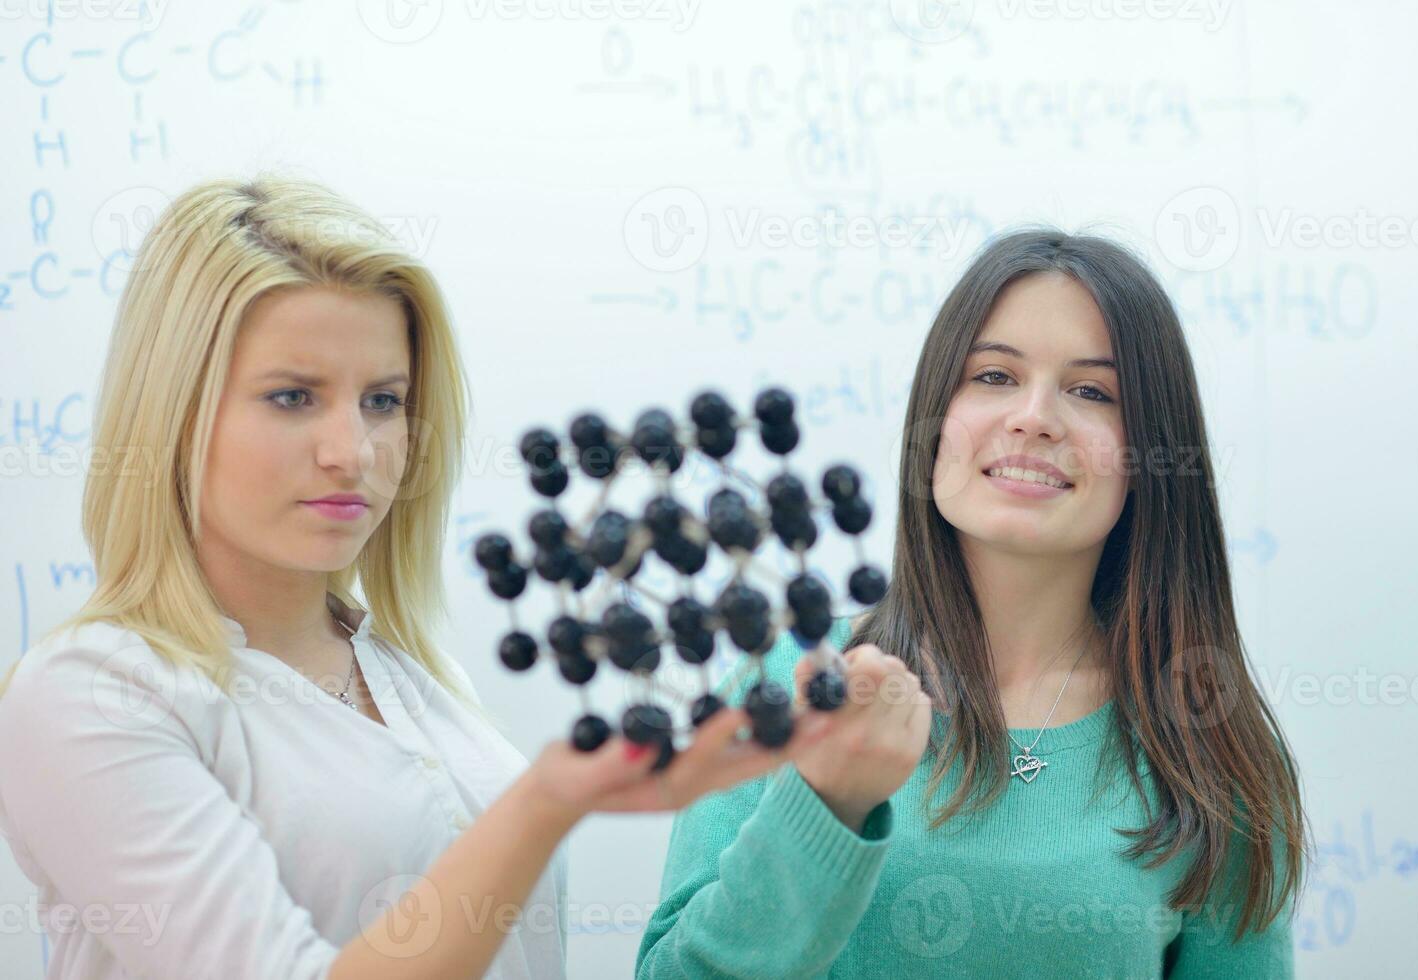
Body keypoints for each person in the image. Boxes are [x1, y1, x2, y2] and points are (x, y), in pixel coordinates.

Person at [0, 174, 846, 980]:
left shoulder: (410, 673)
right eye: (292, 397)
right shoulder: (92, 695)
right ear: (174, 413)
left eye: (383, 400)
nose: (353, 452)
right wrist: (547, 801)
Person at [637, 229, 1311, 978]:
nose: (1033, 416)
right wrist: (826, 804)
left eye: (1092, 391)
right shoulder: (793, 679)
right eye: (993, 375)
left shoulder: (1204, 740)